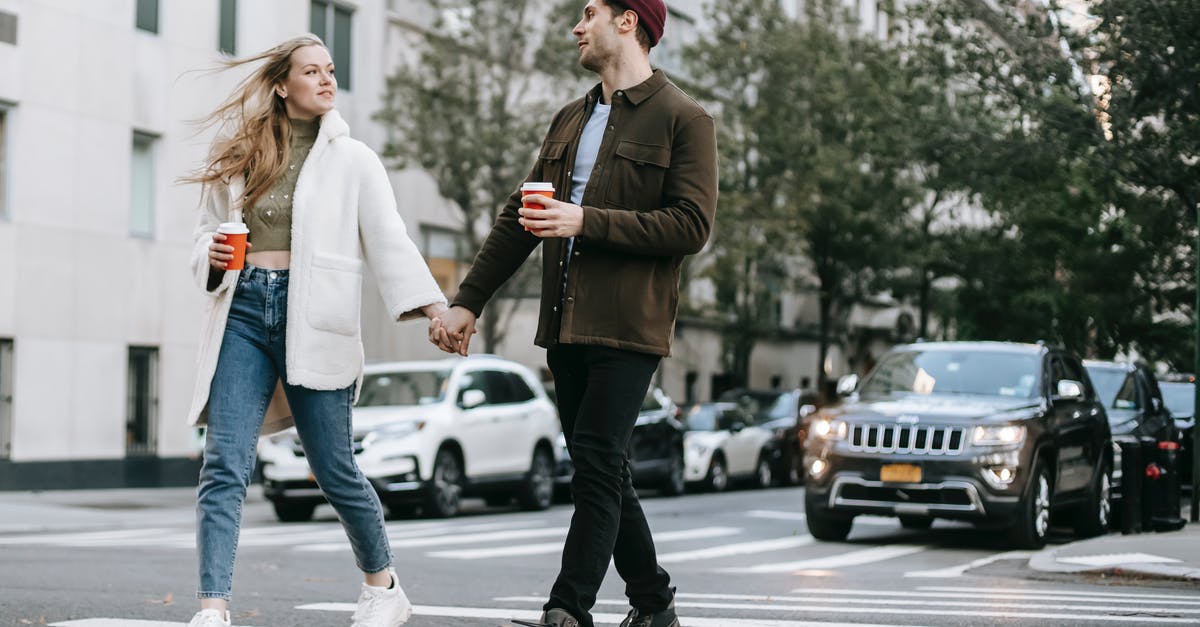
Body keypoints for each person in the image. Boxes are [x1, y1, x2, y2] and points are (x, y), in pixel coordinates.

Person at [430, 1, 718, 626]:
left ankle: (567, 610)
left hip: (628, 328)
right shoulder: (571, 118)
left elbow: (691, 225)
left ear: (629, 22)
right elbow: (520, 216)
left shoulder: (684, 119)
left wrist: (587, 219)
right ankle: (653, 603)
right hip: (562, 326)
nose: (576, 26)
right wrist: (466, 302)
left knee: (593, 462)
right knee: (604, 468)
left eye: (589, 12)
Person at [181, 35, 448, 627]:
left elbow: (389, 240)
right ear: (282, 85)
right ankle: (213, 607)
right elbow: (202, 236)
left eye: (330, 70)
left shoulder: (354, 160)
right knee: (224, 463)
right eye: (312, 72)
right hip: (242, 312)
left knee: (334, 469)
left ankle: (383, 588)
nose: (328, 80)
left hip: (315, 318)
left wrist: (433, 309)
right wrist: (216, 256)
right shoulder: (238, 152)